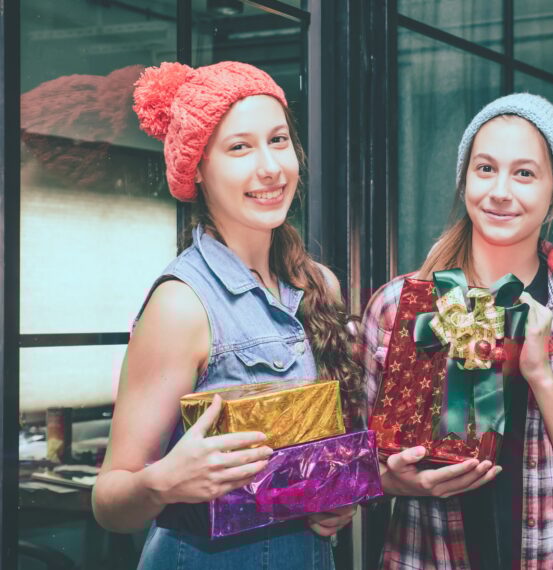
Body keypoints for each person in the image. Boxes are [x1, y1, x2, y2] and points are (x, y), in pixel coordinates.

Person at [92, 61, 360, 569]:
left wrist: (331, 496)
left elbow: (306, 461)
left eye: (278, 140)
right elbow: (109, 502)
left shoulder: (318, 284)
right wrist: (163, 483)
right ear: (197, 168)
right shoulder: (182, 304)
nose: (270, 167)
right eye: (240, 148)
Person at [360, 93, 553, 570]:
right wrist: (395, 481)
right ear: (464, 179)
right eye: (485, 168)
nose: (500, 191)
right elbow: (348, 471)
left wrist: (541, 375)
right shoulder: (397, 306)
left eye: (524, 173)